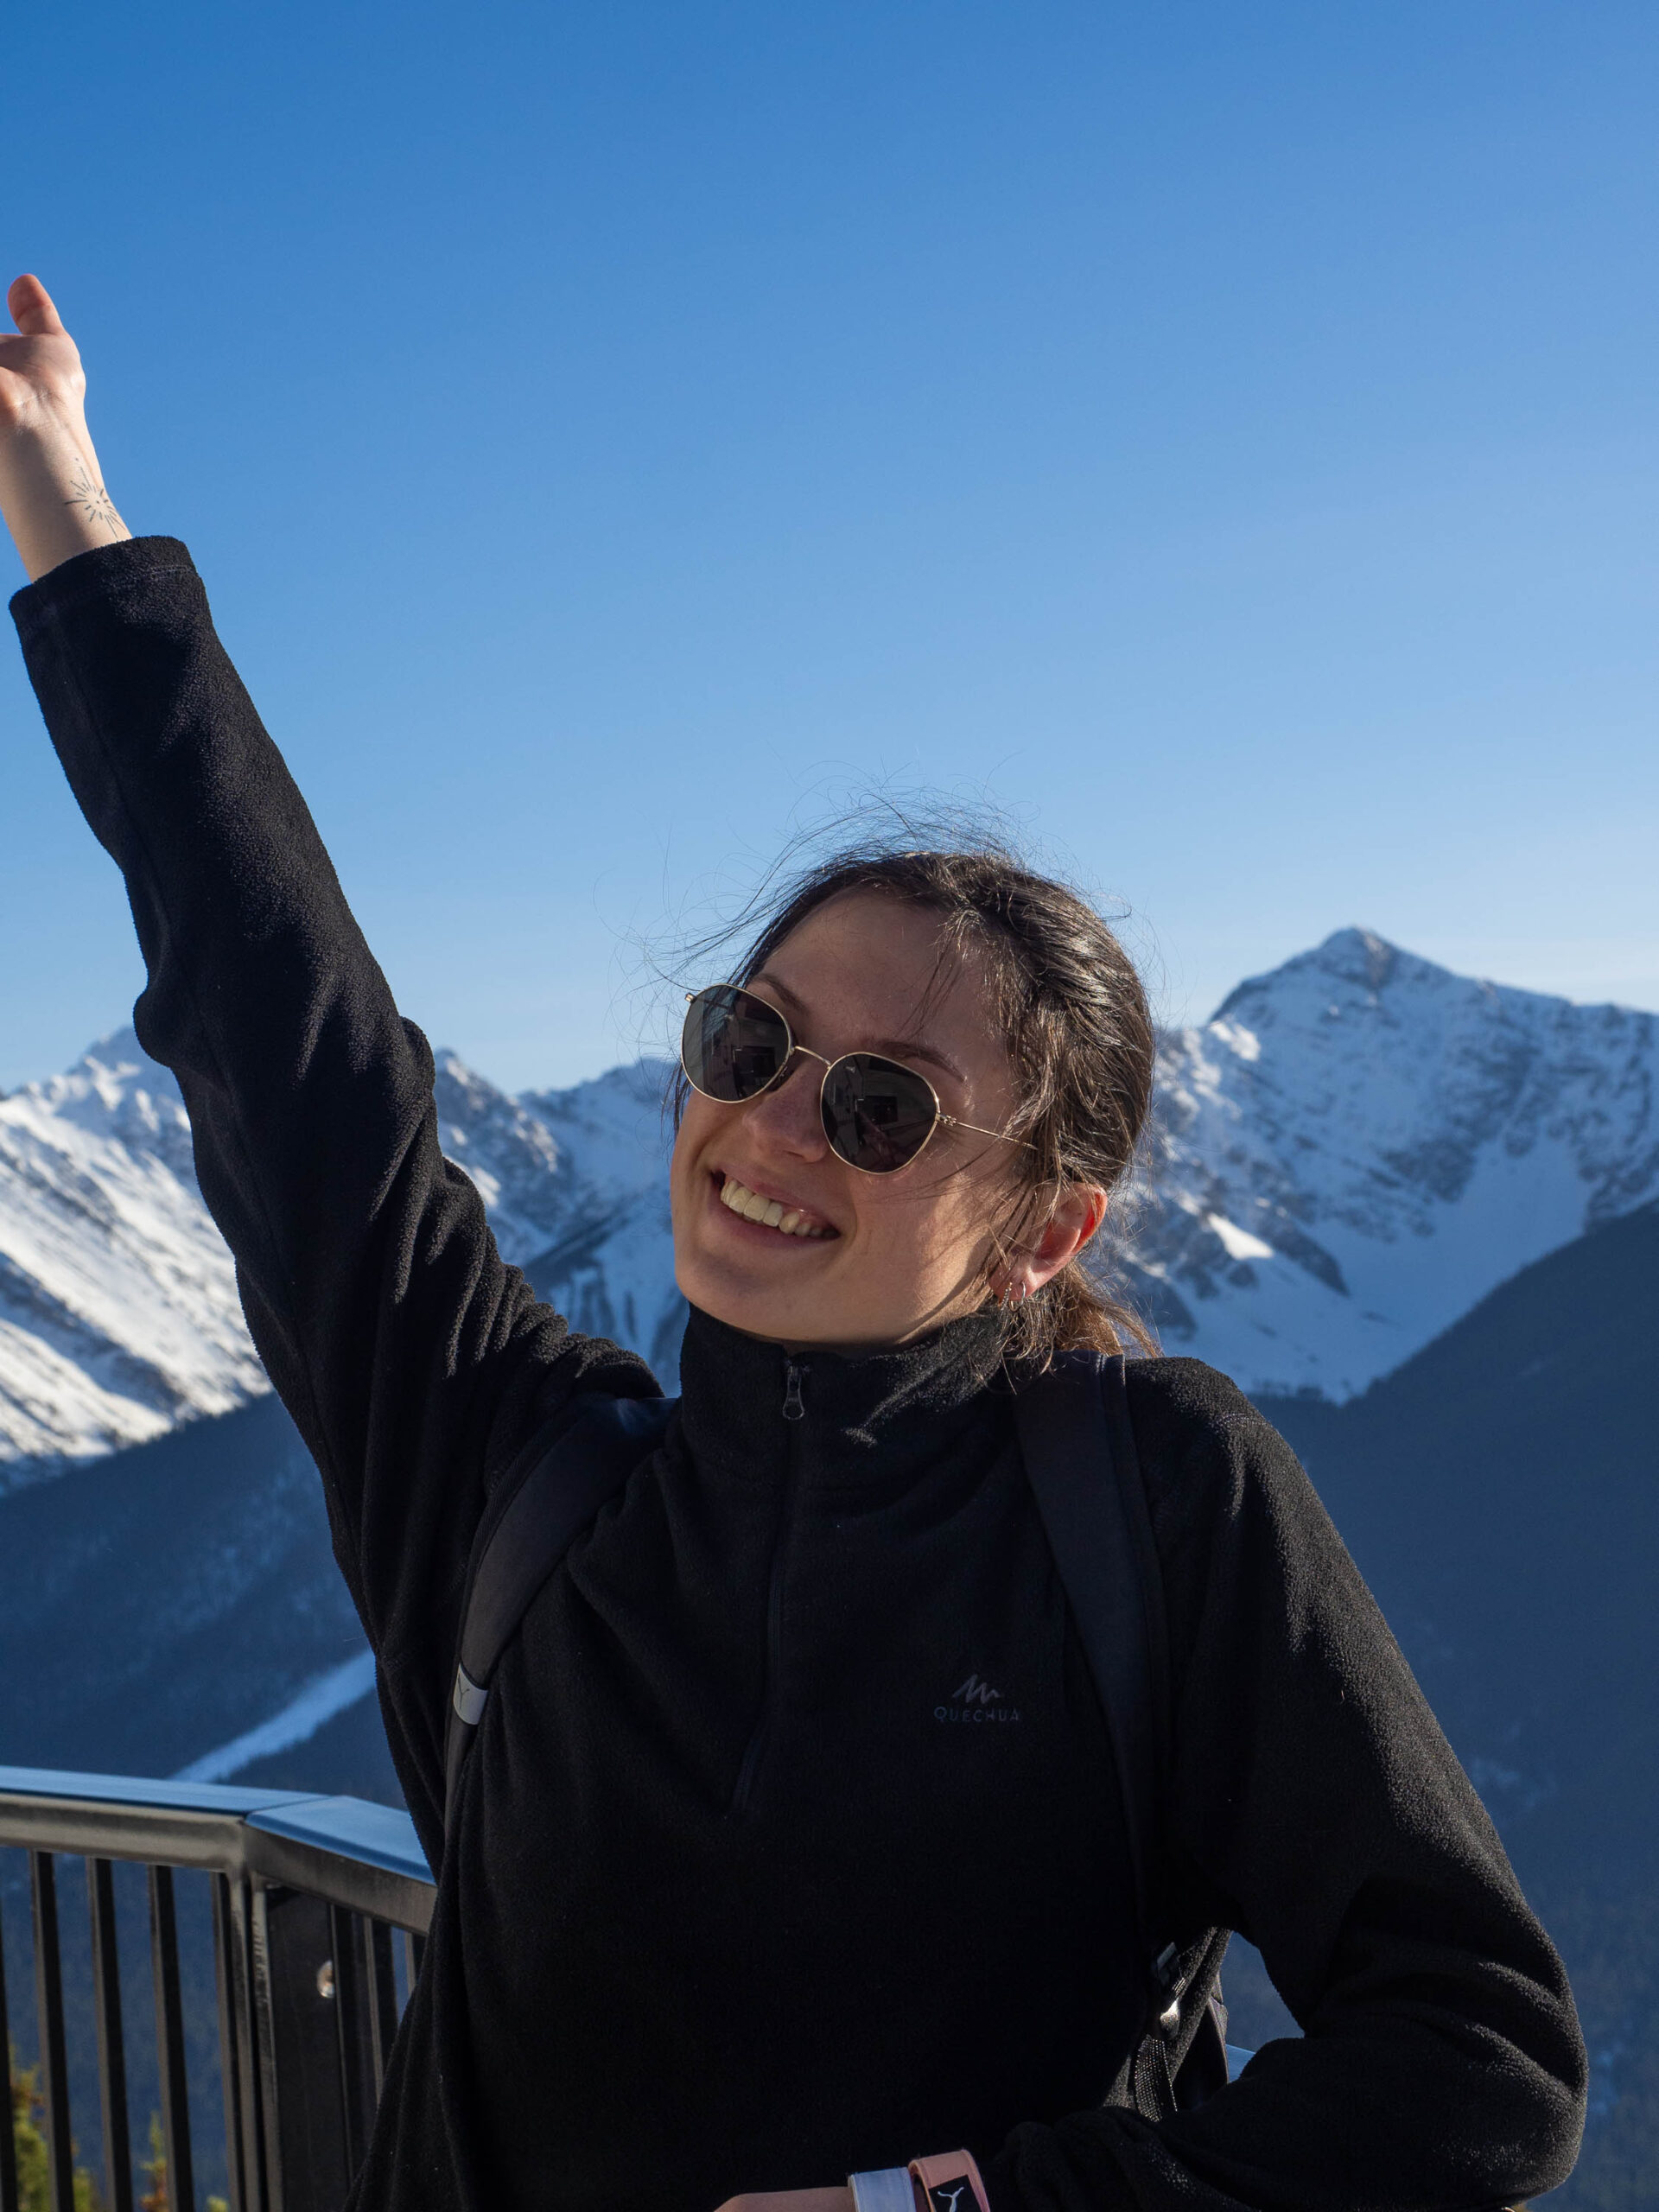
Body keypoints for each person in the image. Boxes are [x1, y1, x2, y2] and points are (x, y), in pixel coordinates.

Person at [0, 274, 1586, 2212]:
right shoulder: (508, 1470)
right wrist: (66, 514)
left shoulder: (1158, 1504)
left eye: (881, 1104)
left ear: (1043, 1228)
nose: (766, 1124)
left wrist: (958, 2206)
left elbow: (1479, 2055)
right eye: (750, 1041)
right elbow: (281, 1028)